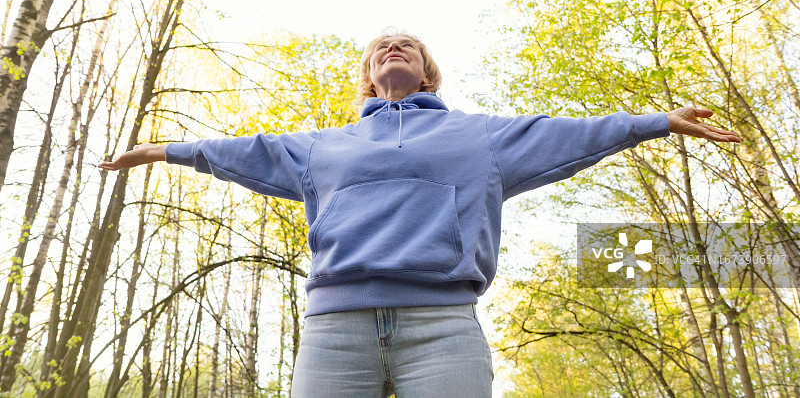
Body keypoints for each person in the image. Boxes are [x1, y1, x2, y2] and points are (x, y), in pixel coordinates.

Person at [99, 31, 741, 397]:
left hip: (443, 326)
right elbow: (249, 150)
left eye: (407, 45)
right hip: (334, 332)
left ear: (428, 74)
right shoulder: (323, 146)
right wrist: (164, 149)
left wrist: (657, 124)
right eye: (382, 47)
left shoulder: (480, 136)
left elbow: (566, 132)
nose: (394, 47)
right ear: (369, 78)